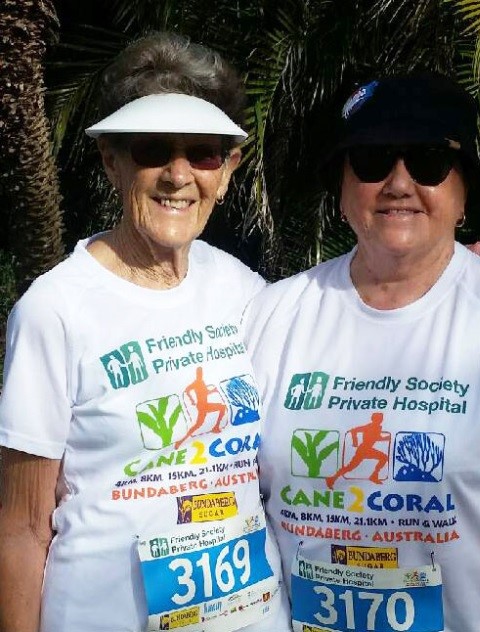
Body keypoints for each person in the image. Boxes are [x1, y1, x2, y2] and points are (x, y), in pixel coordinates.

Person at [244, 74, 480, 632]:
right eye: (370, 161)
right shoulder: (272, 314)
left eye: (428, 162)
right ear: (341, 191)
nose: (398, 183)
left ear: (464, 194)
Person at [0, 32, 291, 632]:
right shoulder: (54, 309)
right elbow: (22, 527)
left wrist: (468, 280)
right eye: (154, 150)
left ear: (229, 168)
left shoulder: (246, 292)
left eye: (203, 152)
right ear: (113, 161)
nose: (178, 175)